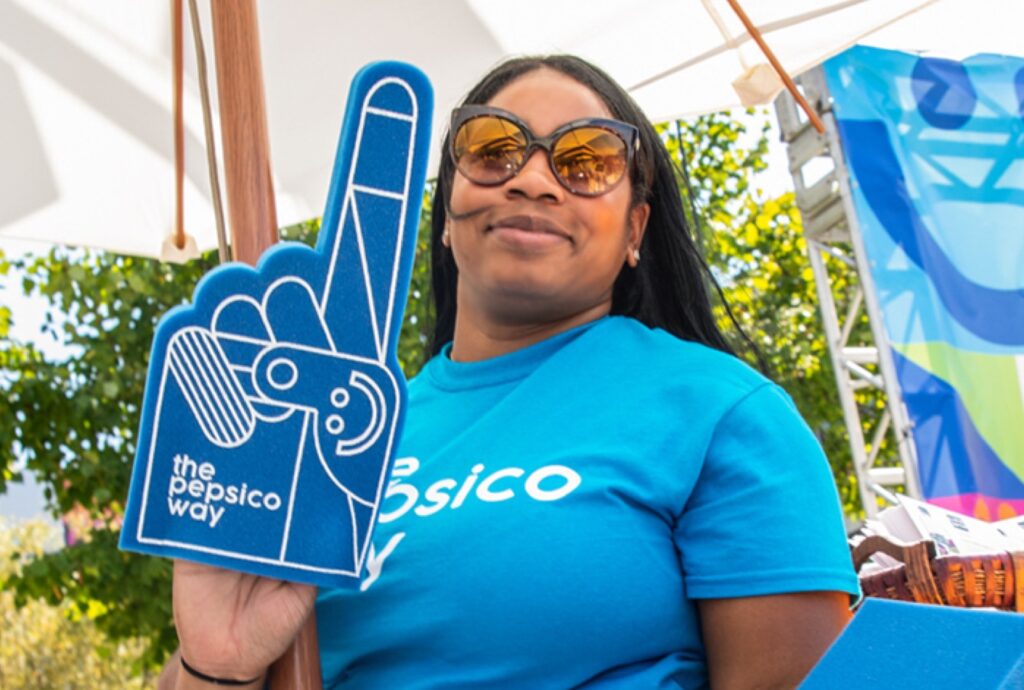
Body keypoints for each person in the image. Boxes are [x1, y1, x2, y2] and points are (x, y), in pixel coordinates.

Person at [170, 55, 859, 689]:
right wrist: (215, 662)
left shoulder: (721, 413)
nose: (531, 178)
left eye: (587, 161)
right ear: (446, 212)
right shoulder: (333, 438)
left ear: (635, 230)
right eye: (493, 150)